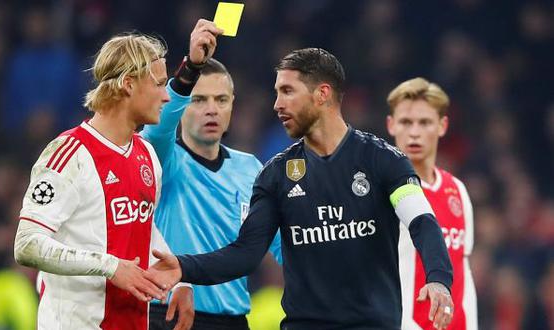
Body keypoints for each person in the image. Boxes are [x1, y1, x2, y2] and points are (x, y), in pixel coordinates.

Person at [146, 48, 455, 330]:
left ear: (322, 94)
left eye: (287, 92)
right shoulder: (275, 174)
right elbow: (247, 253)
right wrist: (184, 267)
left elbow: (421, 220)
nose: (277, 104)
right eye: (277, 92)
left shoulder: (384, 161)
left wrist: (438, 279)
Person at [13, 19, 222, 329]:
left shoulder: (147, 155)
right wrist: (109, 266)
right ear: (128, 84)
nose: (167, 96)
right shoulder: (70, 154)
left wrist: (177, 279)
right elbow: (27, 244)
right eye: (159, 84)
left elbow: (142, 227)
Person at [141, 57, 282, 330]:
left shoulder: (251, 168)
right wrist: (189, 70)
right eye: (199, 100)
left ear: (232, 104)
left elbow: (282, 244)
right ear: (180, 105)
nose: (212, 110)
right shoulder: (163, 160)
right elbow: (158, 130)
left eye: (221, 100)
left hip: (233, 319)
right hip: (168, 315)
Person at [386, 78, 478, 330]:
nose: (414, 132)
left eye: (424, 122)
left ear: (442, 125)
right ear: (391, 125)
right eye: (406, 122)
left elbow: (463, 272)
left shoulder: (457, 190)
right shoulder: (380, 194)